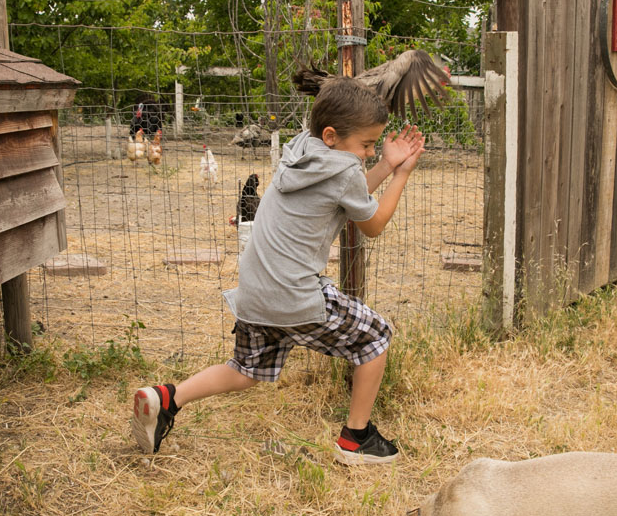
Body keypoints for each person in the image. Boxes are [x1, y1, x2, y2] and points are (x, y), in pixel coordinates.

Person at [131, 76, 425, 465]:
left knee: (245, 370)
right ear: (333, 136)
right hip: (293, 293)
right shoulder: (344, 171)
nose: (370, 153)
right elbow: (372, 223)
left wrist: (385, 162)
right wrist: (400, 173)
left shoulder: (303, 149)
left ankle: (168, 397)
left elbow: (349, 195)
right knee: (375, 338)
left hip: (256, 289)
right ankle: (356, 438)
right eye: (367, 145)